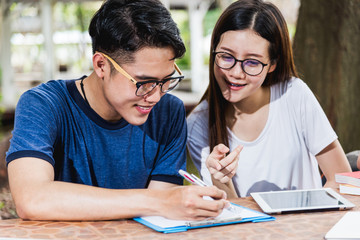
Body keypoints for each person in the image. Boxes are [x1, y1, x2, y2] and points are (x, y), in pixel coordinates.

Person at [6, 0, 229, 221]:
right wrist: (160, 201)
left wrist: (165, 203)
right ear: (101, 65)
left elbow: (162, 217)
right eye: (143, 82)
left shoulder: (168, 112)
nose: (155, 97)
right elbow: (32, 199)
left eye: (166, 80)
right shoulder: (43, 105)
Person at [187, 0, 352, 198]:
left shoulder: (293, 95)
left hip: (309, 226)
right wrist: (219, 180)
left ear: (272, 63)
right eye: (226, 56)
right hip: (249, 229)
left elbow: (340, 179)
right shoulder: (197, 124)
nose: (236, 73)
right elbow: (231, 211)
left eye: (252, 62)